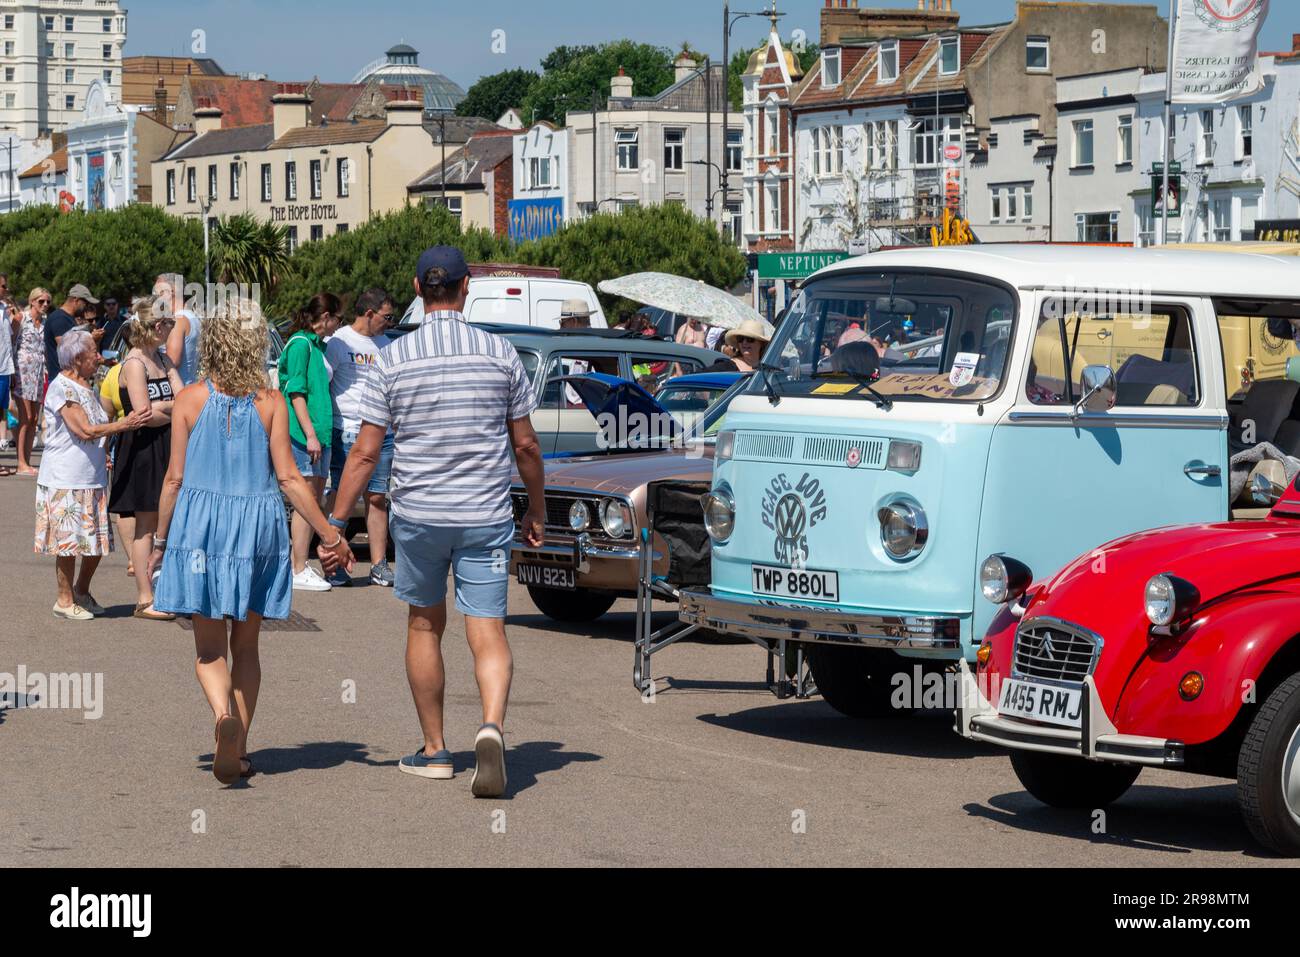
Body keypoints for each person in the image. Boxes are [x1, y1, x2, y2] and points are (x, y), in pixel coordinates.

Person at [329, 246, 546, 798]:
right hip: (485, 513)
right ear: (466, 286)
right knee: (488, 630)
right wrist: (538, 507)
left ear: (417, 289)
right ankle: (491, 727)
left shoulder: (392, 360)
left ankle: (435, 751)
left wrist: (334, 524)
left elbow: (363, 454)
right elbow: (525, 445)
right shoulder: (500, 354)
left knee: (425, 625)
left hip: (421, 515)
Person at [149, 297, 352, 785]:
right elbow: (288, 477)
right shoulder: (271, 402)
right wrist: (328, 534)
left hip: (199, 528)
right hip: (256, 528)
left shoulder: (189, 400)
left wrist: (158, 540)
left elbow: (174, 479)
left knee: (207, 650)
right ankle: (239, 752)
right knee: (249, 647)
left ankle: (222, 717)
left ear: (215, 344)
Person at [36, 329, 147, 620]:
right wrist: (124, 426)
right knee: (69, 545)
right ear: (76, 358)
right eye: (92, 354)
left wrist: (107, 448)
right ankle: (64, 599)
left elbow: (98, 426)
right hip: (66, 477)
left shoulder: (86, 387)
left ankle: (81, 592)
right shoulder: (62, 387)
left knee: (95, 544)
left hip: (91, 477)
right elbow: (83, 430)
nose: (97, 358)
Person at [109, 297, 185, 620]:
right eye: (169, 324)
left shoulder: (162, 359)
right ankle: (144, 598)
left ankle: (165, 590)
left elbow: (183, 398)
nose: (172, 329)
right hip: (143, 449)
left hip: (168, 444)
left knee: (168, 520)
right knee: (146, 524)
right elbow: (142, 414)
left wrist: (167, 410)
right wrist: (172, 411)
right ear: (157, 326)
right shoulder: (135, 363)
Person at [324, 288, 396, 588]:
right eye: (387, 316)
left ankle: (379, 565)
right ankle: (334, 562)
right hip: (349, 431)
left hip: (383, 432)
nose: (389, 322)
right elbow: (323, 383)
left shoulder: (387, 344)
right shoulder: (339, 342)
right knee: (342, 499)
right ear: (369, 313)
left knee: (377, 497)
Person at [279, 292, 342, 592]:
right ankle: (298, 567)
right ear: (325, 316)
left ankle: (299, 564)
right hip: (305, 435)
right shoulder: (301, 344)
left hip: (318, 434)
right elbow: (296, 392)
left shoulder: (316, 346)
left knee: (313, 500)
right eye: (337, 319)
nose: (337, 325)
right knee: (305, 500)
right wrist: (311, 435)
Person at [13, 288, 52, 476]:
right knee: (25, 417)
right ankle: (20, 462)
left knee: (34, 419)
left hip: (37, 374)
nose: (44, 305)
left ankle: (26, 462)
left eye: (47, 302)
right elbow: (11, 344)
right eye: (41, 301)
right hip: (22, 371)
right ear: (32, 301)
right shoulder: (21, 318)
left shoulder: (45, 323)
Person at [44, 284, 98, 385]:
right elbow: (68, 350)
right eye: (85, 302)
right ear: (76, 299)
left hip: (68, 379)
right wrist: (92, 338)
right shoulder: (59, 319)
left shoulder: (67, 318)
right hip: (62, 381)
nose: (86, 307)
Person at [157, 274, 203, 386]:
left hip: (177, 392)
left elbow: (172, 361)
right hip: (188, 386)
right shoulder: (192, 316)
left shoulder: (177, 320)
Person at [0, 274, 14, 470]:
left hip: (4, 369)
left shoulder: (4, 309)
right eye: (3, 286)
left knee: (1, 412)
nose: (6, 289)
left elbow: (9, 339)